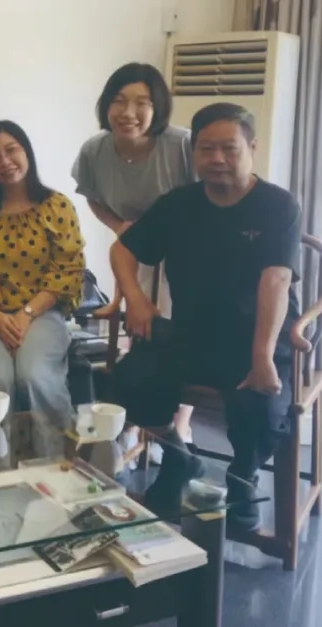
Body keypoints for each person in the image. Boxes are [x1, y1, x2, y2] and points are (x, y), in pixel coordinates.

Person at [106, 102, 302, 532]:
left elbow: (276, 280)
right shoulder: (179, 204)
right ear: (194, 152)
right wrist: (135, 298)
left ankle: (242, 478)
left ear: (252, 148)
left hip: (260, 335)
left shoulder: (277, 205)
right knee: (129, 378)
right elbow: (122, 249)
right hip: (193, 333)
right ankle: (180, 458)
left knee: (261, 405)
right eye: (206, 148)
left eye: (229, 148)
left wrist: (262, 357)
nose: (217, 158)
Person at [72, 62, 196, 444]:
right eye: (119, 100)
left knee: (179, 334)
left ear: (158, 108)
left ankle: (179, 423)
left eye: (142, 103)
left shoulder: (182, 145)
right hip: (136, 251)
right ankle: (137, 419)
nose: (129, 112)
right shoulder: (95, 150)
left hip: (187, 251)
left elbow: (206, 199)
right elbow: (92, 196)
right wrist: (120, 227)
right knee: (146, 333)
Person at [0, 121, 85, 436]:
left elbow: (68, 268)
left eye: (11, 150)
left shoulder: (57, 206)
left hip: (42, 312)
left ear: (27, 152)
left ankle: (57, 454)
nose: (5, 162)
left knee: (33, 375)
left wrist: (26, 314)